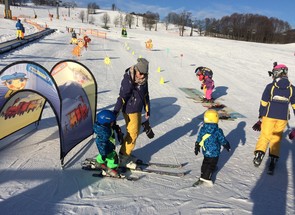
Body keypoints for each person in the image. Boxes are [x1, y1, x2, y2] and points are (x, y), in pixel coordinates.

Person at [252, 63, 295, 172]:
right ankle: (273, 158)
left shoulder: (270, 87)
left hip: (269, 116)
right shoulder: (292, 89)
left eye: (274, 73)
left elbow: (264, 103)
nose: (272, 76)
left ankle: (259, 154)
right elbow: (294, 105)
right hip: (283, 118)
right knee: (276, 137)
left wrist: (260, 118)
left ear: (278, 73)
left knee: (265, 135)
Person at [113, 58, 150, 169]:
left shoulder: (143, 81)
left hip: (137, 109)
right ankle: (123, 157)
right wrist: (115, 112)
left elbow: (145, 95)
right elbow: (122, 97)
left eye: (145, 74)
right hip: (129, 110)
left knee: (134, 132)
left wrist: (148, 109)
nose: (142, 76)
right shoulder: (128, 79)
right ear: (136, 69)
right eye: (141, 73)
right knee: (132, 133)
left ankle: (125, 152)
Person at [194, 109, 231, 186]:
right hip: (214, 152)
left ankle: (203, 172)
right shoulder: (217, 131)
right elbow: (222, 139)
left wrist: (197, 145)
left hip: (205, 150)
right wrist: (226, 144)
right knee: (211, 164)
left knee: (206, 161)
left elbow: (199, 138)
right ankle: (206, 177)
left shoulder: (203, 129)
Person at [93, 110, 123, 177]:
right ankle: (111, 169)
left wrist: (114, 127)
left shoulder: (103, 128)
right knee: (113, 158)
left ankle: (98, 162)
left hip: (105, 148)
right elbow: (102, 143)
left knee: (101, 155)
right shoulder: (105, 133)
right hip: (107, 149)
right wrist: (104, 153)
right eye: (112, 122)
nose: (113, 123)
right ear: (106, 123)